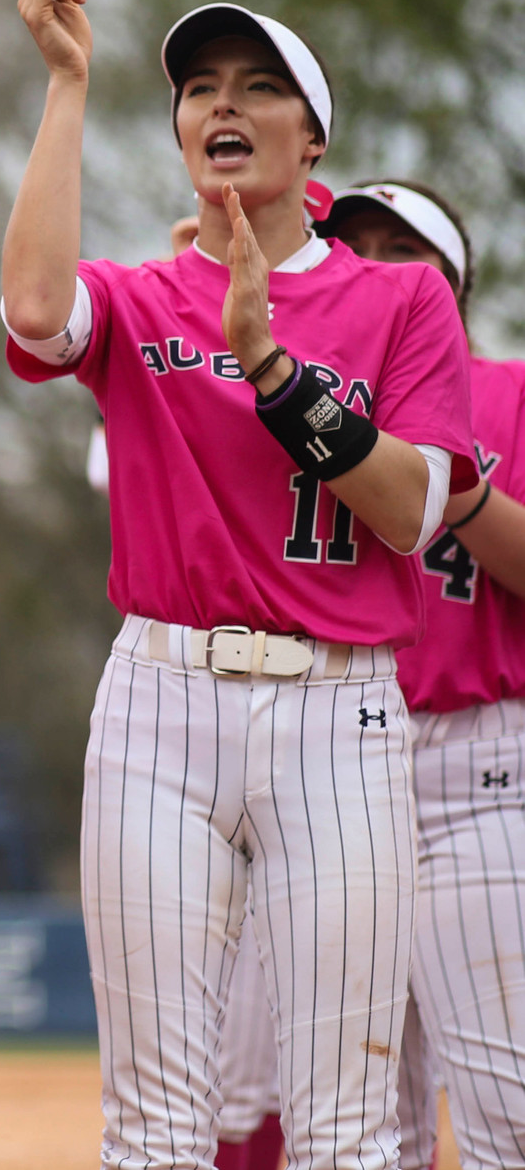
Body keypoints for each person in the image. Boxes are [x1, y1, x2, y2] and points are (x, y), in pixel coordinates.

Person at [2, 0, 474, 1169]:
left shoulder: (401, 302)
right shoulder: (144, 294)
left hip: (340, 704)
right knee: (154, 1119)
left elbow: (416, 511)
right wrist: (67, 85)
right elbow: (34, 312)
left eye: (261, 86)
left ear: (313, 142)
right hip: (161, 697)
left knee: (345, 1121)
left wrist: (272, 368)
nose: (224, 102)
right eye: (200, 86)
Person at [322, 181, 525, 1170]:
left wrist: (455, 482)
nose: (376, 267)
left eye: (403, 251)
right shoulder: (305, 405)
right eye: (356, 248)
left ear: (454, 283)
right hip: (331, 765)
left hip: (477, 774)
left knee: (507, 1110)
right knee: (358, 1129)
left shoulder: (512, 393)